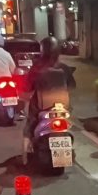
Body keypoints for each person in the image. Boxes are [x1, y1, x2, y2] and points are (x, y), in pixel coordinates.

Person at [22, 36, 76, 164]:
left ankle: (24, 157)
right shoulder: (64, 68)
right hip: (63, 107)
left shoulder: (36, 68)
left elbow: (27, 87)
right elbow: (72, 86)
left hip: (42, 107)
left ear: (43, 50)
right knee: (69, 119)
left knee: (29, 126)